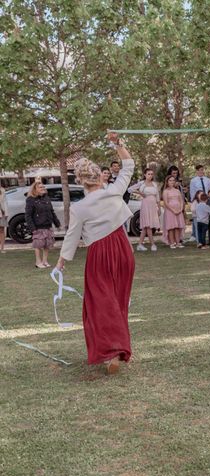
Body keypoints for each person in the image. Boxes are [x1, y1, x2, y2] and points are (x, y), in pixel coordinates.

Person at [55, 132, 135, 375]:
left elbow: (71, 236)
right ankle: (116, 349)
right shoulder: (114, 191)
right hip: (123, 250)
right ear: (98, 176)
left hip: (100, 254)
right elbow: (129, 165)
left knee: (100, 303)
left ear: (81, 181)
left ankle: (112, 350)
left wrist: (61, 262)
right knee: (117, 300)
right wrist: (117, 144)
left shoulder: (80, 207)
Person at [25, 181, 60, 268]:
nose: (43, 188)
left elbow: (52, 212)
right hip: (38, 227)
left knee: (47, 245)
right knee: (38, 245)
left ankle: (45, 261)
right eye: (40, 187)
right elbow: (28, 215)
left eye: (43, 187)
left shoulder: (47, 198)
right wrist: (33, 228)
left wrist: (57, 224)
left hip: (48, 225)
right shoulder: (30, 200)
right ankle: (38, 262)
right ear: (35, 189)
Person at [129, 168, 161, 252]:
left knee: (145, 227)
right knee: (148, 226)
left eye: (151, 174)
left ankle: (140, 244)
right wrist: (140, 193)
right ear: (145, 175)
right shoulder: (142, 183)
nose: (150, 175)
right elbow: (130, 189)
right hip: (145, 205)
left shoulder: (154, 184)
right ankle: (152, 244)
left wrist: (159, 208)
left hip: (153, 206)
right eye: (149, 174)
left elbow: (157, 197)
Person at [162, 175, 185, 249]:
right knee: (171, 227)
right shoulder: (166, 191)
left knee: (177, 227)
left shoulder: (177, 191)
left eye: (173, 180)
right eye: (170, 180)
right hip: (170, 211)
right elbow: (166, 202)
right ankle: (172, 243)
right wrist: (173, 210)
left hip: (178, 211)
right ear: (167, 182)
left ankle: (178, 242)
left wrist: (180, 209)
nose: (172, 182)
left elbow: (181, 201)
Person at [0, 185, 8, 254]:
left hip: (2, 214)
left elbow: (5, 202)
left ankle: (2, 248)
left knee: (2, 230)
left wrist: (6, 213)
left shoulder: (2, 190)